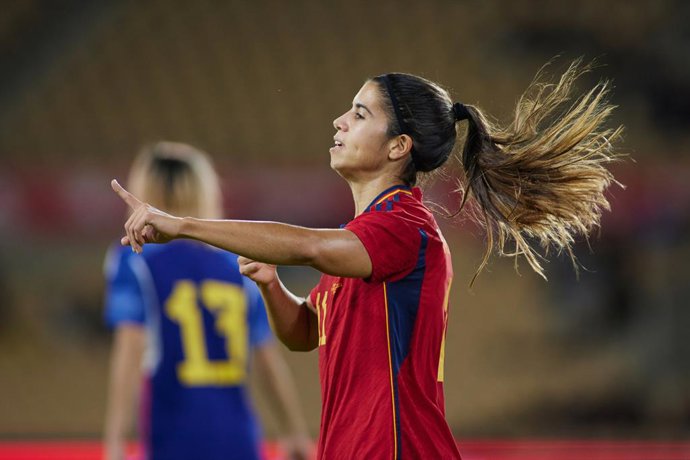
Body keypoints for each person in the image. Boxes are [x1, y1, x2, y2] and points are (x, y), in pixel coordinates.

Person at [111, 60, 622, 459]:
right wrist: (271, 287)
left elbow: (308, 248)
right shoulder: (362, 241)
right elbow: (306, 334)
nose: (339, 121)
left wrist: (181, 224)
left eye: (360, 114)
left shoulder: (403, 227)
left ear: (399, 145)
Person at [103, 142, 312, 460]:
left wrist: (115, 441)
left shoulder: (136, 261)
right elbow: (267, 358)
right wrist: (294, 431)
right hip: (238, 436)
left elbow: (131, 348)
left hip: (173, 435)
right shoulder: (238, 262)